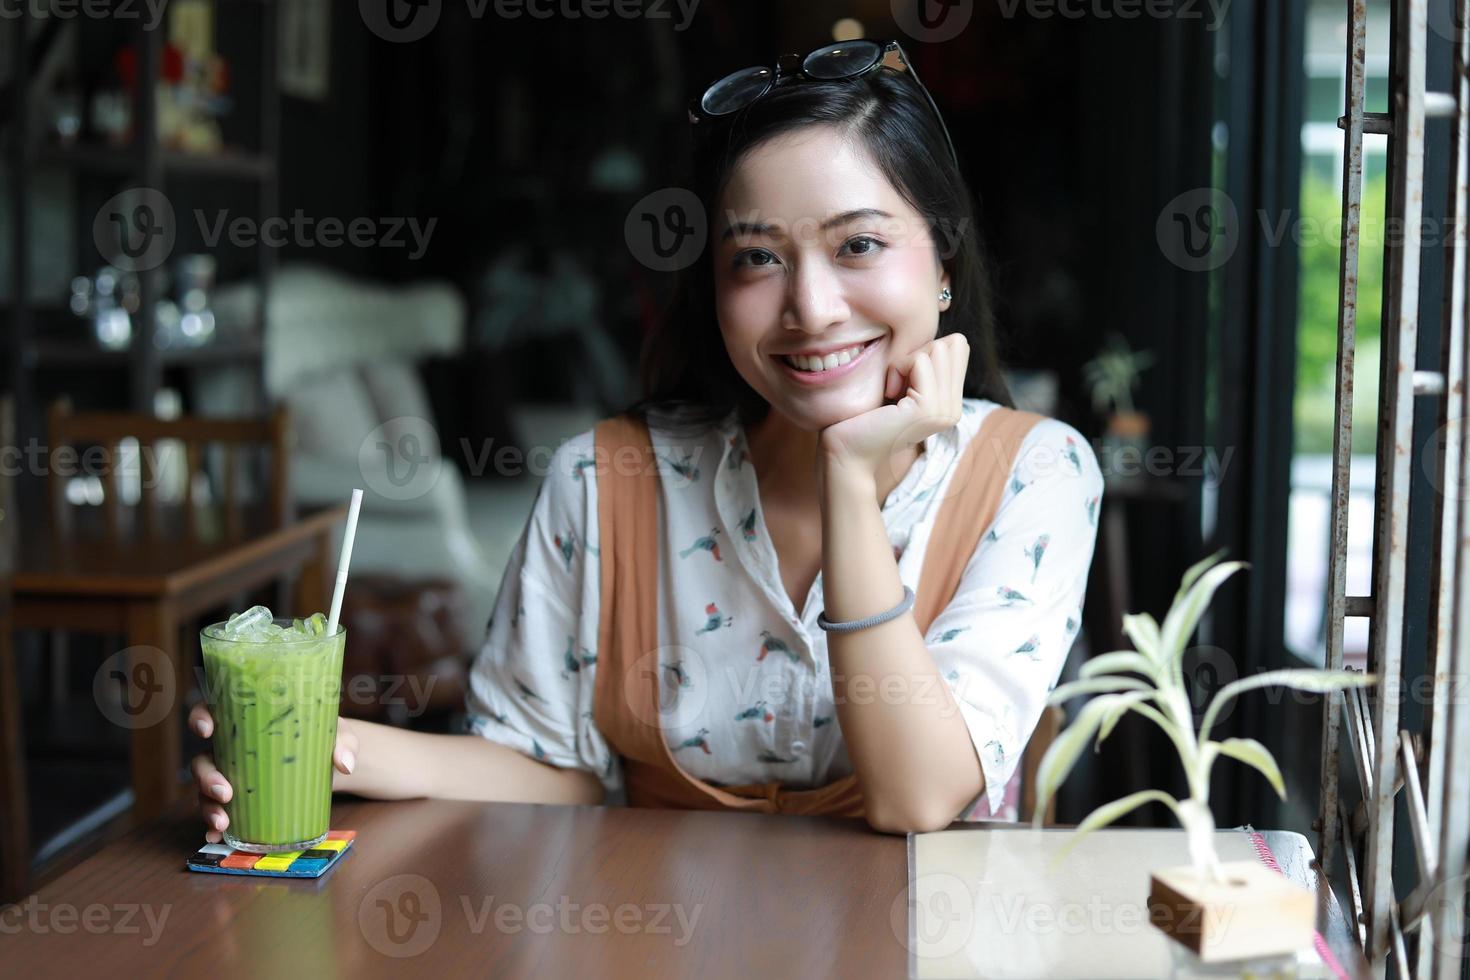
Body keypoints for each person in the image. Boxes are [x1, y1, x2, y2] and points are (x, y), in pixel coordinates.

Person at [190, 39, 1103, 837]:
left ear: (942, 262)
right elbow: (550, 775)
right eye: (756, 258)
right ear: (712, 285)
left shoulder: (1033, 474)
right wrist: (324, 746)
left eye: (857, 245)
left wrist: (849, 479)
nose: (812, 308)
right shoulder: (603, 479)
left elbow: (916, 797)